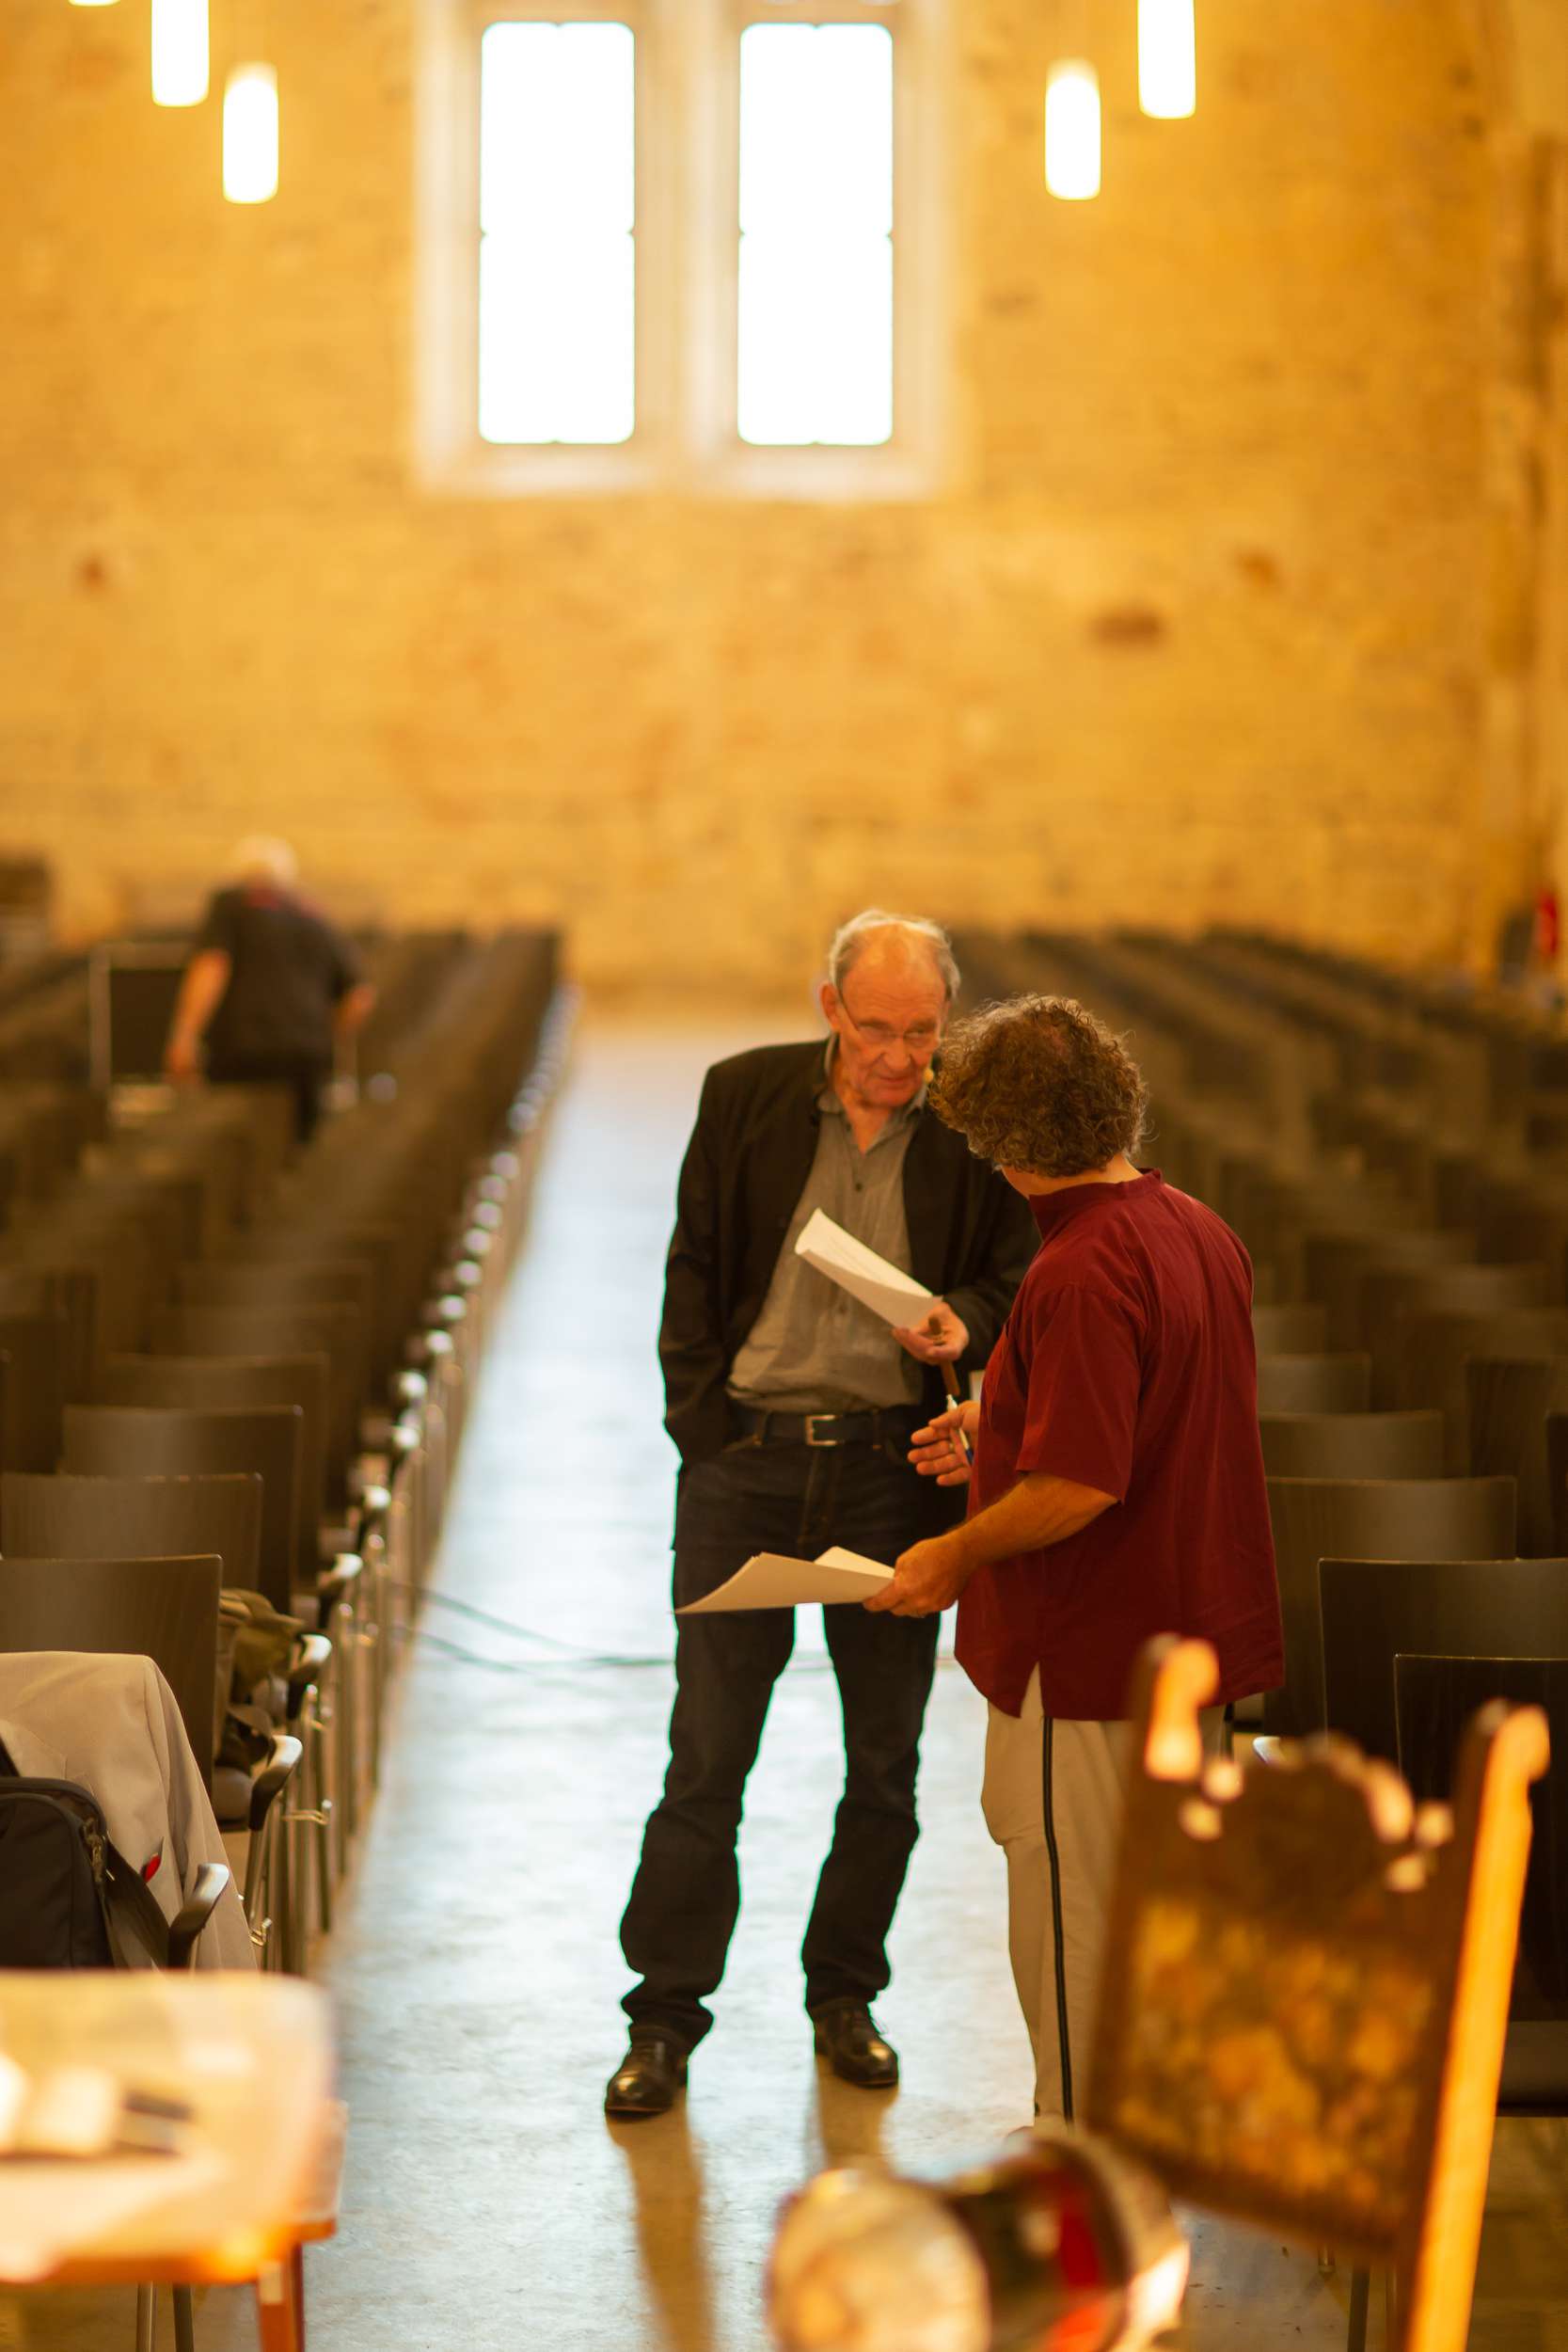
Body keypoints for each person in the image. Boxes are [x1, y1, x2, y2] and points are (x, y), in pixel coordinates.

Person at [607, 912, 1038, 2119]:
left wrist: (964, 1321)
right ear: (827, 1007)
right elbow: (691, 1272)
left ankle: (844, 1994)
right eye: (875, 1029)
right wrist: (704, 1439)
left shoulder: (966, 1127)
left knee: (885, 1765)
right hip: (748, 1465)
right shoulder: (740, 1095)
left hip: (887, 1473)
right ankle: (662, 2014)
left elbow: (1014, 1274)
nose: (899, 1058)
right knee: (706, 1758)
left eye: (920, 1032)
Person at [867, 994, 1283, 2122]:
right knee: (1148, 1928)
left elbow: (1083, 1484)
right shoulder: (1197, 1229)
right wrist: (996, 1427)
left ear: (1003, 1143)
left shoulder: (1077, 1269)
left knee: (1077, 1933)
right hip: (1185, 1646)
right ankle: (1130, 2147)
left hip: (1090, 1660)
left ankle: (1083, 2164)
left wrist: (953, 1551)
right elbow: (1145, 1424)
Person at [165, 837, 375, 1144]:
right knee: (297, 1154)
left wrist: (185, 1035)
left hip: (244, 1048)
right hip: (307, 1053)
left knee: (235, 1148)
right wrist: (327, 1036)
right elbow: (359, 997)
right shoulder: (313, 916)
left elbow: (212, 967)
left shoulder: (231, 904)